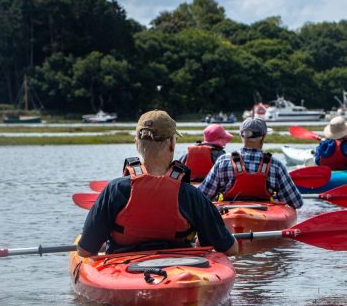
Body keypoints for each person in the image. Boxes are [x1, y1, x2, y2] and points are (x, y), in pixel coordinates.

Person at [77, 110, 238, 257]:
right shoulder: (190, 194)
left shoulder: (115, 190)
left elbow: (85, 249)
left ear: (136, 143)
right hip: (181, 271)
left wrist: (105, 243)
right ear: (171, 144)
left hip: (122, 270)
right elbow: (230, 249)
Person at [198, 117, 303, 209]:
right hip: (264, 218)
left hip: (227, 214)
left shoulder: (223, 161)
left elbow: (202, 196)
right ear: (263, 137)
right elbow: (296, 203)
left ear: (241, 136)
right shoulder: (276, 165)